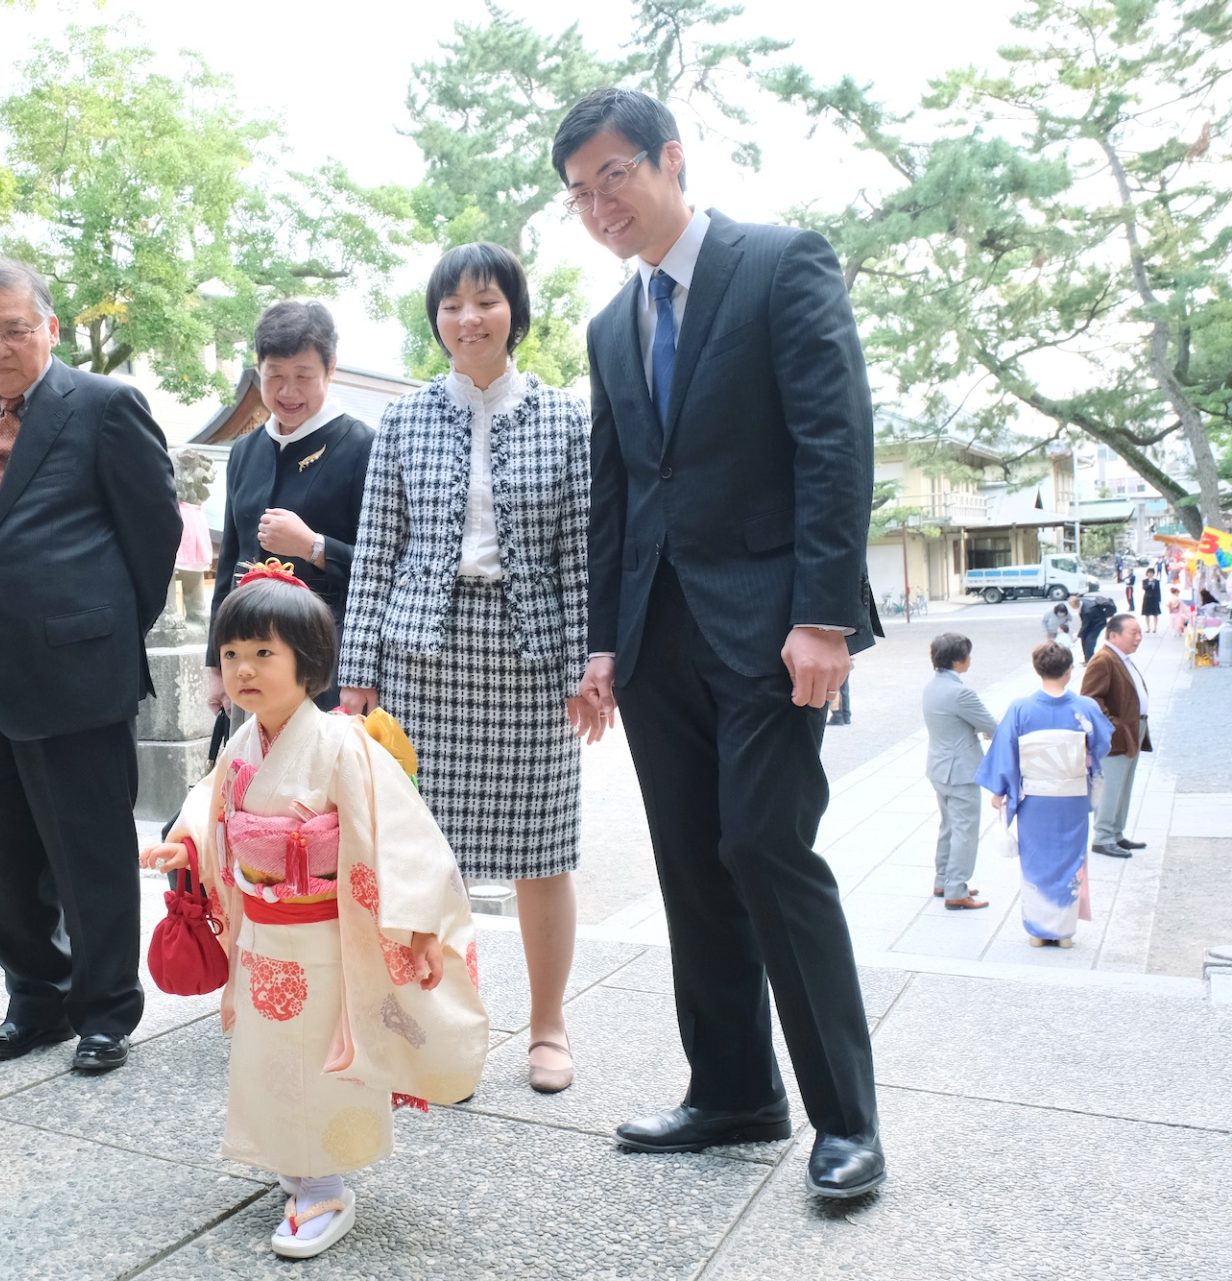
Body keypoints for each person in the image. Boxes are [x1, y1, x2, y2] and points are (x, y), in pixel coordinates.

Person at [556, 87, 885, 1197]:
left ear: (669, 160)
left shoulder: (780, 262)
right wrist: (603, 642)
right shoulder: (610, 325)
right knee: (693, 868)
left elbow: (834, 438)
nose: (599, 203)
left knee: (765, 849)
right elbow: (616, 497)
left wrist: (825, 614)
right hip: (658, 641)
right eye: (578, 192)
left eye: (613, 175)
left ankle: (845, 1119)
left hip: (776, 628)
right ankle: (735, 1092)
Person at [141, 569, 488, 1260]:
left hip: (328, 938)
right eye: (233, 653)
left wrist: (417, 918)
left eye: (264, 653)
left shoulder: (343, 744)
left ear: (310, 663)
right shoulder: (242, 746)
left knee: (322, 1059)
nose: (243, 668)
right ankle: (293, 1160)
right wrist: (186, 840)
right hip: (263, 935)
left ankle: (324, 1182)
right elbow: (215, 807)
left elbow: (404, 834)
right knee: (270, 1057)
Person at [337, 241, 595, 1095]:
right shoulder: (406, 419)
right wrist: (357, 668)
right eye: (450, 306)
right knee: (417, 853)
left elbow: (579, 556)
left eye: (484, 301)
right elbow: (376, 551)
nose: (467, 319)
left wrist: (586, 667)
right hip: (422, 656)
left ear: (514, 309)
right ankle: (432, 1027)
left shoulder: (563, 418)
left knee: (542, 846)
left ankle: (548, 1024)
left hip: (529, 656)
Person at [0, 259, 180, 1075]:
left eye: (15, 328)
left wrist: (103, 634)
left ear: (51, 327)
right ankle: (34, 999)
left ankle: (105, 1008)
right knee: (1, 858)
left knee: (89, 850)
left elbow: (154, 536)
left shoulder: (105, 408)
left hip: (76, 670)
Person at [206, 301, 375, 717]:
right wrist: (216, 661)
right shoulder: (245, 450)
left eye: (303, 376)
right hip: (249, 662)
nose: (287, 392)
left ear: (330, 369)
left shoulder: (362, 446)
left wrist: (314, 546)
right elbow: (230, 562)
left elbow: (382, 568)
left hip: (324, 661)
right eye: (275, 376)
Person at [977, 643, 1112, 947]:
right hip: (1072, 796)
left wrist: (1000, 790)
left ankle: (1037, 930)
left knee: (1036, 862)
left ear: (1037, 669)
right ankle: (1064, 932)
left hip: (1034, 800)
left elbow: (1005, 752)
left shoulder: (1020, 708)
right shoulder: (1085, 708)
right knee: (1070, 859)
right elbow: (1102, 744)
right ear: (1069, 671)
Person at [922, 633, 996, 910]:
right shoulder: (960, 693)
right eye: (967, 654)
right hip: (960, 770)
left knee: (948, 827)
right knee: (965, 830)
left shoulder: (932, 687)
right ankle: (957, 888)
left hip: (939, 767)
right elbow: (993, 725)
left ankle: (943, 879)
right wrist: (984, 729)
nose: (970, 659)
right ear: (958, 659)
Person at [1081, 613, 1152, 860]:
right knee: (1111, 786)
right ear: (1113, 635)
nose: (1138, 638)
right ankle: (1103, 837)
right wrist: (1113, 726)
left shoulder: (1121, 658)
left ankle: (1116, 833)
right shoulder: (1103, 659)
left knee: (1124, 785)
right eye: (1133, 633)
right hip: (1116, 735)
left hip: (1133, 729)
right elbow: (1090, 699)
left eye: (1139, 632)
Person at [1076, 592, 1116, 662]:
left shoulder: (1087, 611)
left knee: (1089, 641)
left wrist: (1078, 635)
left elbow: (1085, 624)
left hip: (1098, 624)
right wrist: (1081, 635)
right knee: (1084, 639)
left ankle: (1090, 660)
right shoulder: (1082, 602)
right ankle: (1087, 659)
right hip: (1093, 622)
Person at [1140, 565, 1162, 634]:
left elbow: (1158, 590)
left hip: (1154, 598)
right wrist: (1150, 584)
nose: (1150, 574)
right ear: (1147, 573)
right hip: (1147, 598)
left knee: (1155, 614)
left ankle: (1155, 628)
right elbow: (1144, 588)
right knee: (1147, 614)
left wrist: (1159, 599)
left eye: (1151, 573)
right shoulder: (1145, 581)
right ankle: (1148, 627)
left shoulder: (1156, 581)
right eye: (1149, 573)